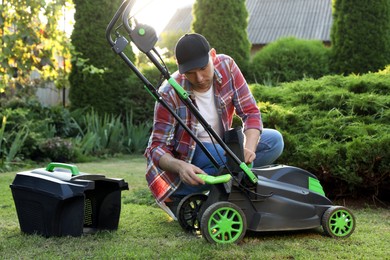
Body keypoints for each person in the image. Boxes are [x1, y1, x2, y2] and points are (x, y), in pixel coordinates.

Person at [144, 33, 284, 218]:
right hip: (189, 157)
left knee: (274, 141)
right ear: (179, 68)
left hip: (221, 146)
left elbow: (250, 112)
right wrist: (179, 166)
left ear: (213, 55)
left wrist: (248, 148)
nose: (200, 78)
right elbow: (157, 147)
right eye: (191, 73)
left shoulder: (227, 66)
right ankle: (178, 194)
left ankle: (224, 192)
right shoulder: (169, 92)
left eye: (203, 68)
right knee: (224, 155)